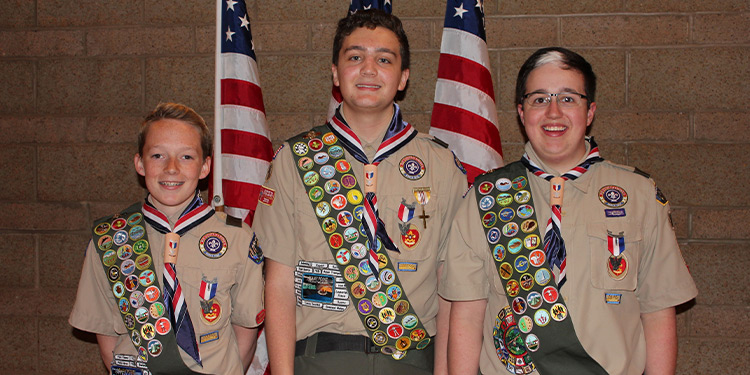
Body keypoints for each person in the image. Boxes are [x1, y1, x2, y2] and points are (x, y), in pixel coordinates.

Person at [440, 47, 698, 375]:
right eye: (539, 99)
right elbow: (467, 315)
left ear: (589, 112)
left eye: (567, 98)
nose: (553, 113)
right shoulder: (485, 197)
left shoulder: (639, 195)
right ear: (521, 112)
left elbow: (658, 312)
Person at [254, 9, 466, 375]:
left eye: (384, 59)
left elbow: (451, 288)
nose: (368, 69)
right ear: (336, 72)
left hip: (412, 360)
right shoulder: (296, 160)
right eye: (355, 57)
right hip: (319, 358)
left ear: (403, 78)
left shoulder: (441, 165)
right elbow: (279, 281)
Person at [69, 103, 265, 375]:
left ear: (206, 166)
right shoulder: (111, 240)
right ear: (139, 163)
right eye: (158, 155)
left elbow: (244, 334)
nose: (171, 168)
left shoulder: (238, 239)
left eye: (186, 157)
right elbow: (107, 340)